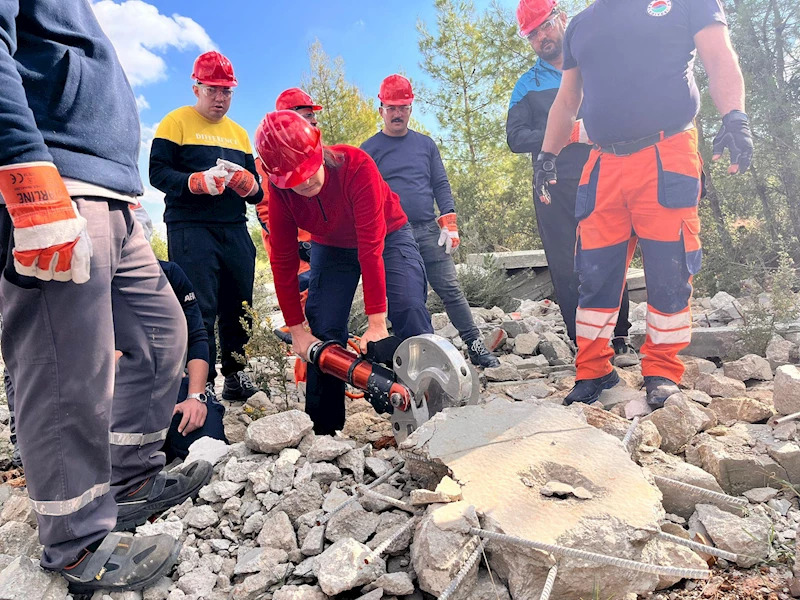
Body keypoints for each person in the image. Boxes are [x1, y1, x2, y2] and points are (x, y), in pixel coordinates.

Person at [0, 0, 212, 591]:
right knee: (67, 366)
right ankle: (75, 541)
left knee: (163, 334)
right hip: (54, 184)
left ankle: (131, 477)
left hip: (112, 197)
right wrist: (22, 164)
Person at [536, 0, 752, 407]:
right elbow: (567, 100)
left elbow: (720, 57)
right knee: (593, 272)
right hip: (602, 163)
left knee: (670, 267)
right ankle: (593, 369)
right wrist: (548, 155)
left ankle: (662, 369)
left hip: (666, 151)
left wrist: (735, 117)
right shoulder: (580, 25)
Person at [255, 110, 434, 435]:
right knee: (322, 325)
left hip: (388, 234)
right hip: (332, 246)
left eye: (308, 169)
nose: (306, 182)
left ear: (318, 147)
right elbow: (282, 260)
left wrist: (377, 324)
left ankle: (433, 408)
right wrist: (297, 331)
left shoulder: (356, 165)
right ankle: (324, 432)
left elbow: (370, 247)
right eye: (293, 180)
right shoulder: (281, 194)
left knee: (407, 304)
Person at [507, 0, 638, 368]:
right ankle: (583, 343)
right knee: (566, 262)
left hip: (603, 174)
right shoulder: (526, 86)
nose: (542, 37)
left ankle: (619, 335)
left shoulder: (595, 64)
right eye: (532, 34)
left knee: (608, 253)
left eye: (545, 26)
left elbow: (625, 109)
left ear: (561, 18)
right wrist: (565, 134)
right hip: (552, 184)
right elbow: (515, 137)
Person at [361, 75, 500, 368]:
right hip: (392, 236)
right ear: (381, 109)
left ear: (411, 109)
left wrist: (449, 221)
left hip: (427, 230)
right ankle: (411, 354)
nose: (397, 113)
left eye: (403, 107)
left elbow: (441, 184)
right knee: (406, 298)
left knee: (451, 289)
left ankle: (474, 344)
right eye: (391, 107)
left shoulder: (425, 145)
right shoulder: (369, 150)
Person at [149, 51, 264, 403]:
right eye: (213, 89)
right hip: (190, 227)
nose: (220, 98)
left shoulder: (239, 134)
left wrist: (248, 184)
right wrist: (195, 182)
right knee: (199, 305)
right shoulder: (176, 122)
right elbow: (157, 173)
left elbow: (257, 191)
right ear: (196, 87)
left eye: (227, 91)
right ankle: (202, 383)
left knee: (240, 302)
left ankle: (236, 373)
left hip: (234, 227)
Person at [132, 205, 228, 463]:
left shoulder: (170, 275)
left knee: (209, 448)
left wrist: (195, 397)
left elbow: (197, 336)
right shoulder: (93, 285)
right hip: (124, 393)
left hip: (171, 382)